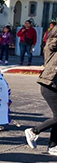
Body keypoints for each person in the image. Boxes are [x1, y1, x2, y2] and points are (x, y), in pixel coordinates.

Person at [25, 25, 57, 155]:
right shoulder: (51, 47)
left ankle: (53, 146)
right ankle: (33, 131)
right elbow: (50, 44)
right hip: (49, 84)